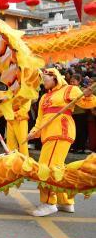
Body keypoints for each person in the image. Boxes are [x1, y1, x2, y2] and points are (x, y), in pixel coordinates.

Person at [27, 68, 96, 217]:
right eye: (42, 80)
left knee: (47, 167)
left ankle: (49, 202)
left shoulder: (70, 89)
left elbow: (86, 103)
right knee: (57, 168)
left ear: (55, 78)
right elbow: (40, 120)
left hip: (61, 131)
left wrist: (89, 95)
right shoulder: (44, 97)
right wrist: (33, 133)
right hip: (48, 134)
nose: (44, 82)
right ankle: (65, 201)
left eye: (46, 79)